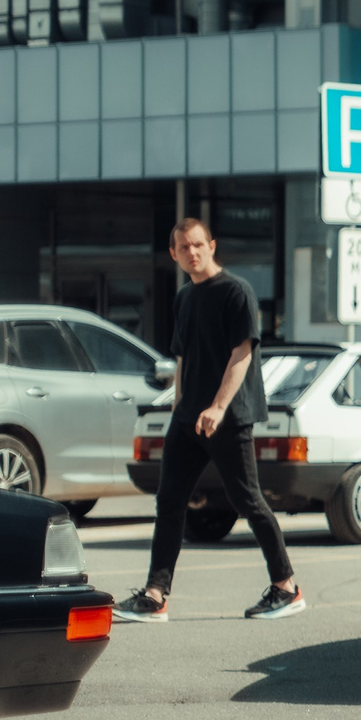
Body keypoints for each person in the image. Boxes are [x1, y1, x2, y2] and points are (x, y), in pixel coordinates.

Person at [115, 219, 302, 623]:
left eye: (198, 245)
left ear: (212, 245)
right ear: (174, 254)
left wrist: (217, 407)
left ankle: (286, 587)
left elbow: (242, 354)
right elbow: (183, 358)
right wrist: (179, 408)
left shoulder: (236, 292)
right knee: (169, 501)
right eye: (184, 247)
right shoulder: (184, 298)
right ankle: (155, 595)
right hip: (187, 420)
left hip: (229, 418)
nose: (192, 253)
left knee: (247, 500)